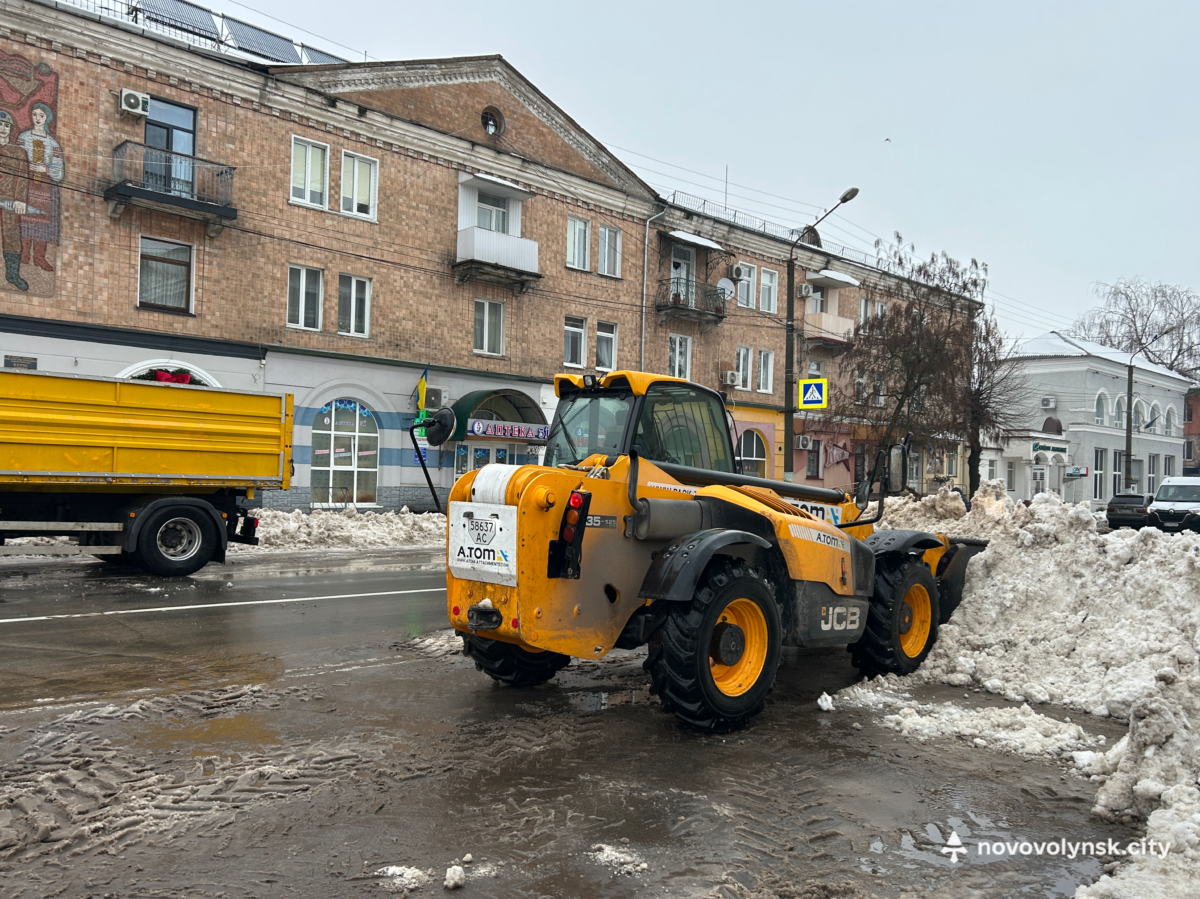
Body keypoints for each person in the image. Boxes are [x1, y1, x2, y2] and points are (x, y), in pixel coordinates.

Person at [17, 102, 63, 273]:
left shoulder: (53, 144)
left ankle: (39, 257)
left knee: (42, 222)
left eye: (41, 115)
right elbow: (15, 159)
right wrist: (26, 166)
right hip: (26, 183)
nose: (37, 118)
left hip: (45, 188)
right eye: (34, 114)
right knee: (24, 218)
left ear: (47, 118)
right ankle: (23, 254)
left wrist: (45, 169)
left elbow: (59, 171)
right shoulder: (23, 137)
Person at [0, 109, 29, 291]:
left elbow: (22, 177)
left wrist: (20, 199)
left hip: (9, 200)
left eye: (6, 125)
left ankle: (12, 273)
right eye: (0, 125)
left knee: (12, 235)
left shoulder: (18, 152)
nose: (3, 128)